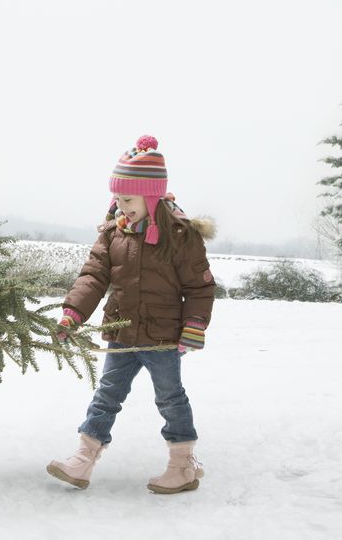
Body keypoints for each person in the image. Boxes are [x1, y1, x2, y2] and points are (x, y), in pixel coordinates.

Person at [46, 135, 215, 494]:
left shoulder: (181, 236)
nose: (121, 206)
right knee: (106, 394)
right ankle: (83, 459)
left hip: (162, 337)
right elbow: (92, 277)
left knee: (170, 397)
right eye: (118, 199)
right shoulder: (112, 234)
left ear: (151, 195)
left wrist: (194, 326)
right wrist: (72, 314)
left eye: (128, 198)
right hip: (122, 331)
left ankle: (183, 465)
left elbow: (199, 288)